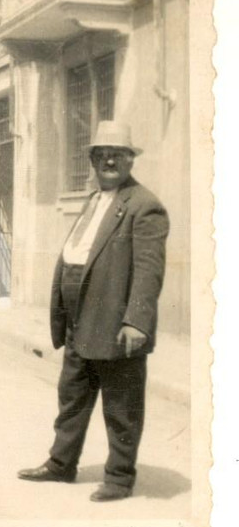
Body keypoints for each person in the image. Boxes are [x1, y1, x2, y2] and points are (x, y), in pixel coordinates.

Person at [17, 120, 169, 502]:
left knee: (121, 405)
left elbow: (149, 271)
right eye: (101, 155)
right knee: (72, 396)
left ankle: (119, 478)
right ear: (92, 160)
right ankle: (61, 464)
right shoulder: (93, 200)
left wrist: (136, 320)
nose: (108, 161)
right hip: (77, 319)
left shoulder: (144, 205)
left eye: (117, 154)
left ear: (130, 159)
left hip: (116, 324)